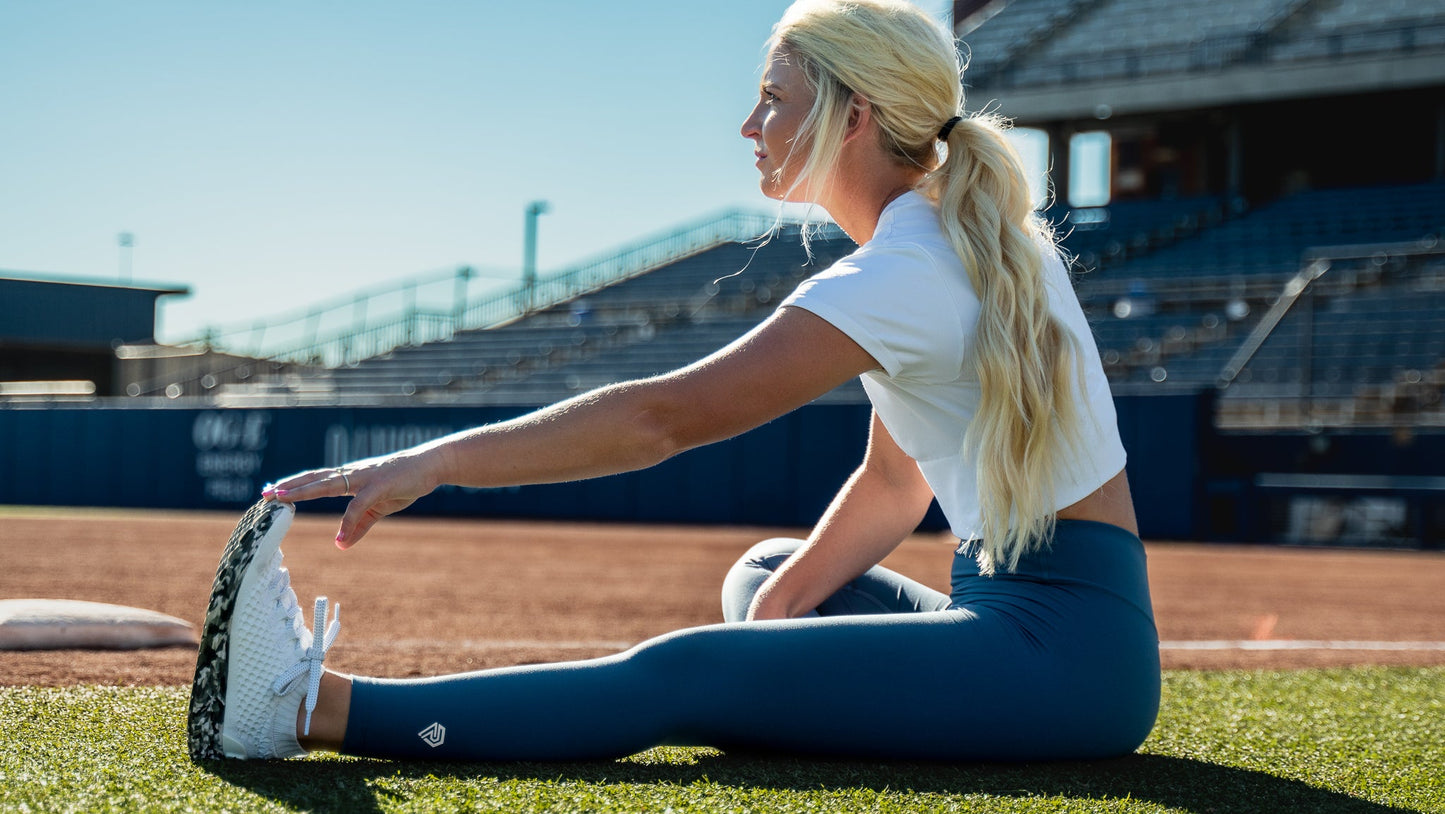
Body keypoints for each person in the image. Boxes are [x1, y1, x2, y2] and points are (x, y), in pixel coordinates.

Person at [187, 0, 1159, 764]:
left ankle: (302, 707)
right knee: (764, 579)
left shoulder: (908, 267)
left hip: (1059, 658)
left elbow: (664, 418)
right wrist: (779, 622)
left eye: (774, 98)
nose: (750, 122)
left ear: (851, 114)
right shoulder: (956, 239)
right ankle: (787, 688)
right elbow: (893, 482)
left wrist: (434, 462)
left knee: (689, 670)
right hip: (1057, 635)